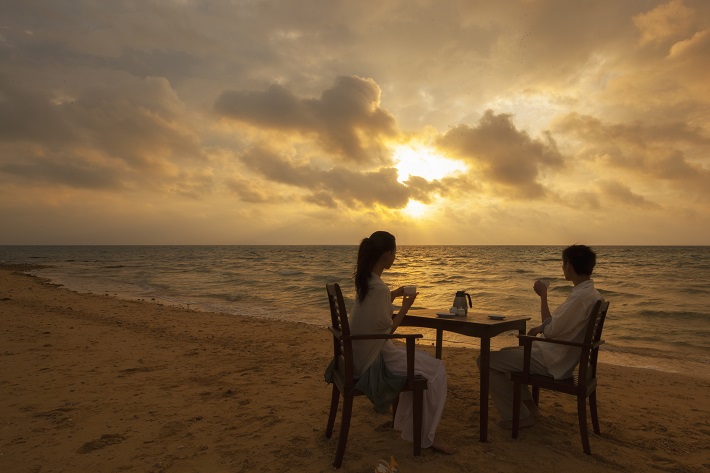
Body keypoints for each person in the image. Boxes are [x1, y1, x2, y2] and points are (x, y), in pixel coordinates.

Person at [349, 230, 455, 454]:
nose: (395, 256)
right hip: (374, 361)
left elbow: (373, 314)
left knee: (425, 364)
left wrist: (394, 293)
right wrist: (406, 306)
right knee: (436, 371)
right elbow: (388, 330)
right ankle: (427, 435)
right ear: (387, 254)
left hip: (360, 354)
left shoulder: (367, 282)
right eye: (394, 252)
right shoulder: (378, 288)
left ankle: (407, 424)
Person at [477, 244, 602, 429]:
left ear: (568, 266)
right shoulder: (591, 294)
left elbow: (551, 331)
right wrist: (541, 327)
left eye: (563, 264)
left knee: (485, 360)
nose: (562, 268)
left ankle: (517, 417)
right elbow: (558, 326)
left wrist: (543, 297)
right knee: (505, 354)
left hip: (552, 361)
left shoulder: (580, 298)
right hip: (560, 357)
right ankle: (529, 409)